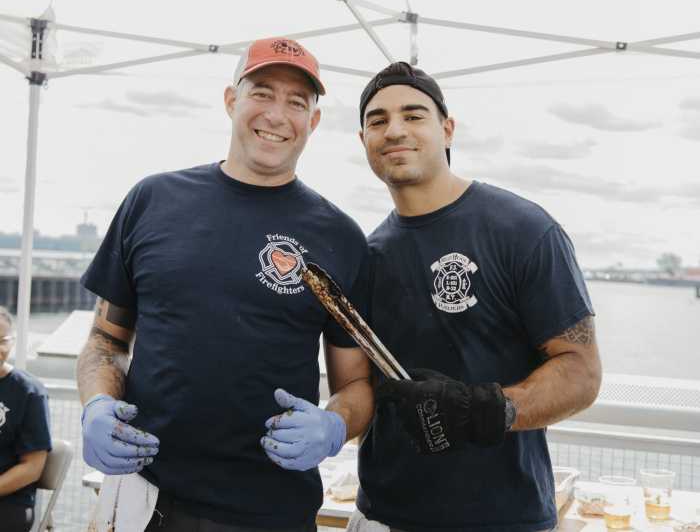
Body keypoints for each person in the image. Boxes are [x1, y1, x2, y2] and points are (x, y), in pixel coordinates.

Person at [77, 37, 373, 532]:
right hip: (143, 499)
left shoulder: (340, 238)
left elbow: (357, 384)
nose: (276, 114)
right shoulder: (152, 200)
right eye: (262, 92)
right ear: (231, 99)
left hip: (270, 511)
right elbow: (105, 342)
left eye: (297, 102)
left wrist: (334, 425)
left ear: (314, 120)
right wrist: (97, 405)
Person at [349, 62, 602, 532]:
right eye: (378, 120)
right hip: (381, 515)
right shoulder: (368, 255)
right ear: (363, 140)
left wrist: (483, 409)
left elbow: (581, 374)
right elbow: (358, 387)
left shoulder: (524, 230)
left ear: (447, 129)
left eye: (413, 115)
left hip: (503, 518)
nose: (395, 130)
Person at [0, 307, 52, 532]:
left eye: (1, 341)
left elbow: (32, 467)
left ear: (11, 342)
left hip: (9, 502)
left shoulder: (28, 392)